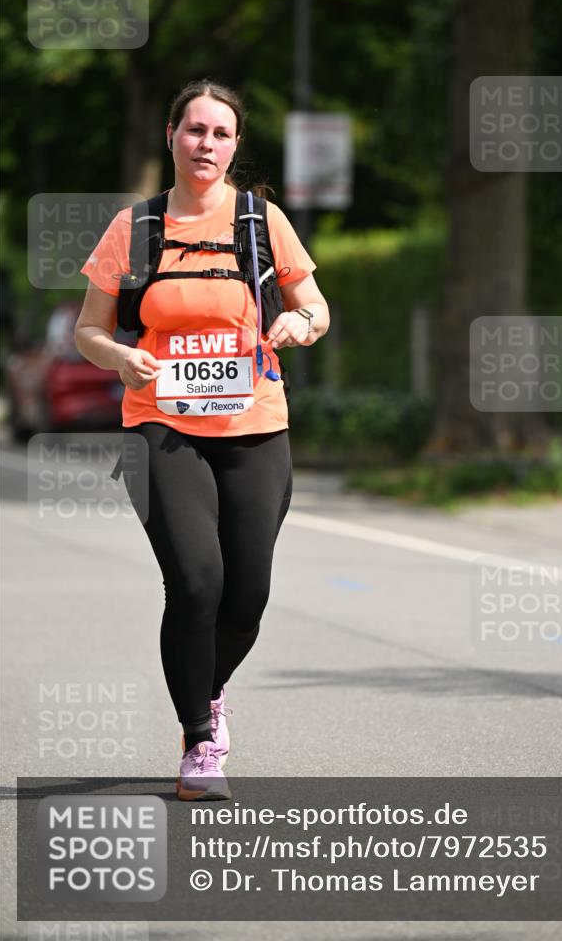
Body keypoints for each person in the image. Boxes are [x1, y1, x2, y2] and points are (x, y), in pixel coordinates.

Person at [74, 79, 330, 800]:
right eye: (194, 130)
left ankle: (207, 691)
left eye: (220, 133)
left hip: (255, 424)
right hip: (160, 423)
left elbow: (315, 305)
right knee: (194, 581)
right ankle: (198, 741)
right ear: (171, 137)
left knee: (245, 597)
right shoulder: (137, 228)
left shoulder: (260, 220)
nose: (206, 144)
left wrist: (300, 324)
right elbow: (89, 330)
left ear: (235, 145)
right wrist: (121, 356)